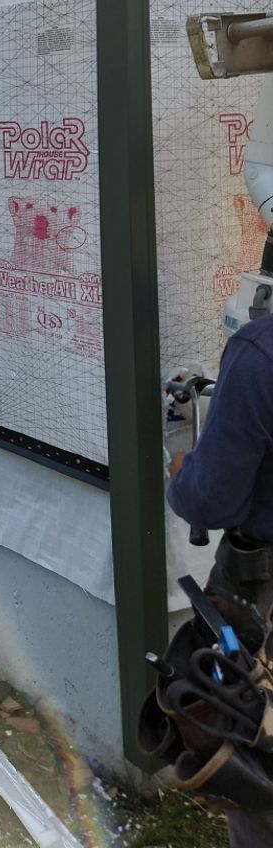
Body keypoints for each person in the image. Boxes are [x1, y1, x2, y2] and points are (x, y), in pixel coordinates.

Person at [167, 312, 273, 848]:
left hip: (259, 596)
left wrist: (183, 469)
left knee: (254, 752)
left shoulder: (261, 353)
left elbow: (210, 497)